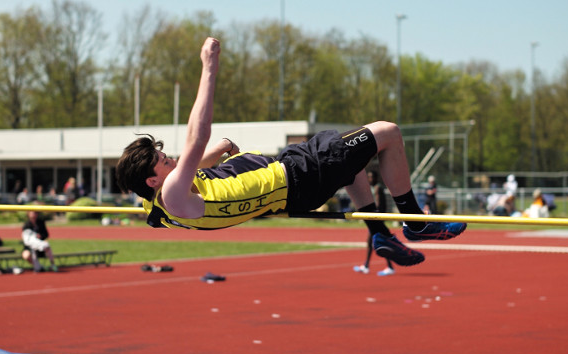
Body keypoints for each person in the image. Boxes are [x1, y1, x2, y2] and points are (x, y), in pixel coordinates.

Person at [116, 38, 465, 269]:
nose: (173, 161)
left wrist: (219, 151)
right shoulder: (174, 193)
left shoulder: (159, 203)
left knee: (353, 168)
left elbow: (196, 164)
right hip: (297, 176)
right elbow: (196, 138)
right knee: (388, 132)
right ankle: (415, 221)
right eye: (165, 162)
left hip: (292, 177)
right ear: (153, 179)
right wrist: (209, 68)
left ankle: (380, 234)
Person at [353, 171, 418, 276]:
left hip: (376, 219)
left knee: (378, 243)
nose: (369, 179)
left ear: (375, 178)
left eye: (370, 177)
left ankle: (381, 267)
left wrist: (374, 216)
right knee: (372, 243)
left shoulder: (378, 188)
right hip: (377, 218)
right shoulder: (375, 188)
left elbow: (379, 205)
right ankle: (368, 266)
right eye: (368, 177)